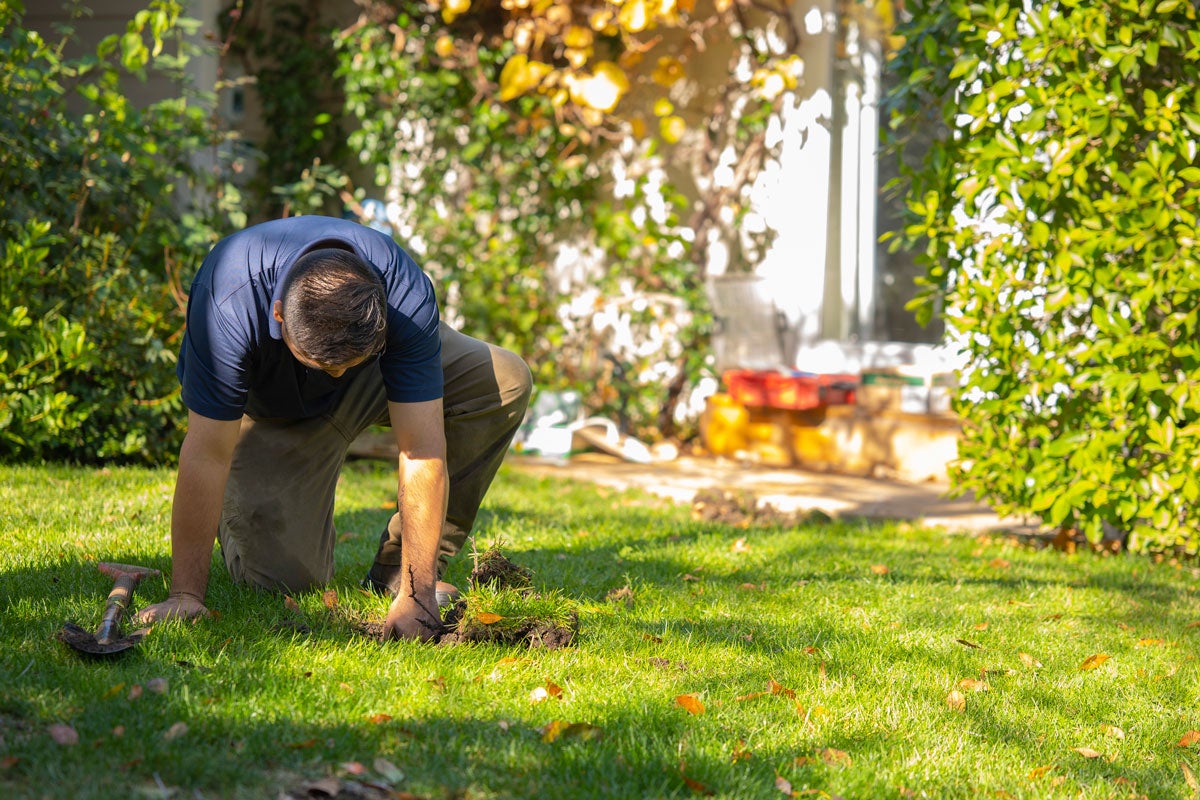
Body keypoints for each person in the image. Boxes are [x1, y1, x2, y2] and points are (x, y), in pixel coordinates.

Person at [136, 215, 532, 641]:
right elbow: (207, 453)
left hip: (374, 373)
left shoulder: (401, 289)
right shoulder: (228, 296)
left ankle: (403, 572)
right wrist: (185, 594)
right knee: (285, 579)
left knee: (504, 380)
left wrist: (418, 597)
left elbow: (421, 451)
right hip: (273, 411)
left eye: (345, 365)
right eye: (327, 366)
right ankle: (244, 504)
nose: (337, 375)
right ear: (278, 315)